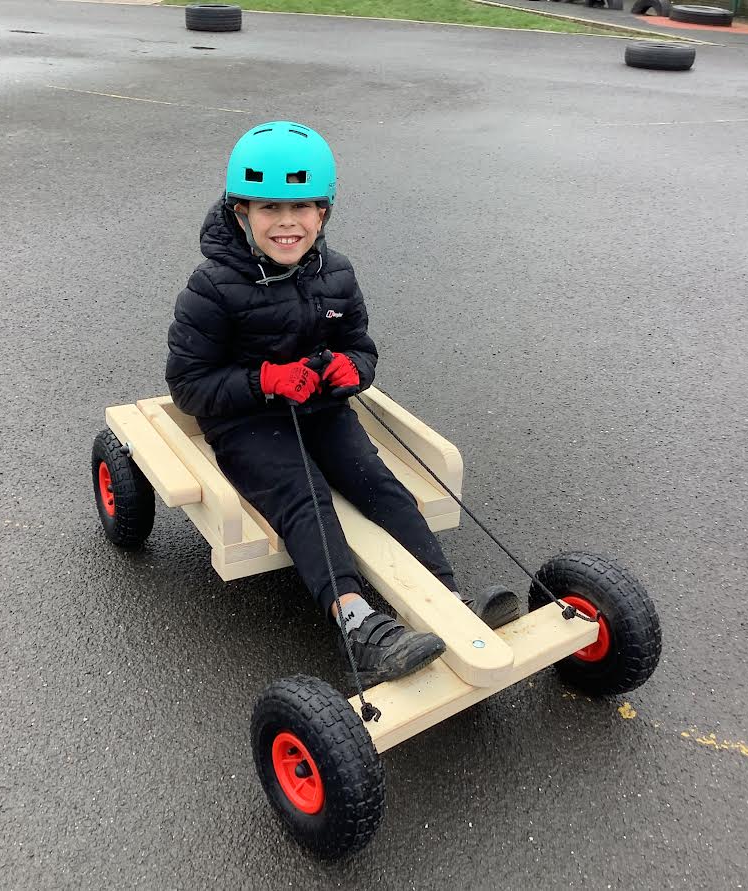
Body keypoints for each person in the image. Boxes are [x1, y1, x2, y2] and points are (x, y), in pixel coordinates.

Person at [166, 121, 518, 687]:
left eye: (302, 206)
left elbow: (359, 346)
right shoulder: (211, 287)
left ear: (323, 212)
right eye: (269, 208)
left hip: (320, 408)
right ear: (240, 212)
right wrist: (265, 380)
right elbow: (188, 384)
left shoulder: (338, 273)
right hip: (246, 423)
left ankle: (448, 599)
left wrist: (352, 370)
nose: (287, 222)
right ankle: (357, 623)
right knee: (303, 494)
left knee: (375, 481)